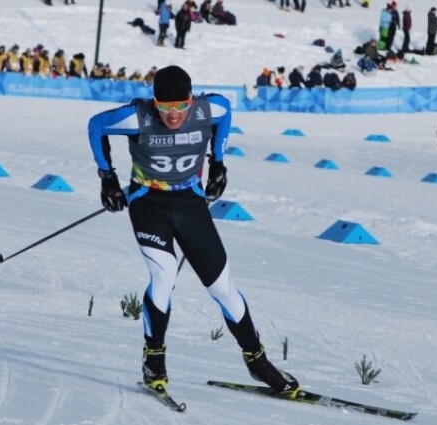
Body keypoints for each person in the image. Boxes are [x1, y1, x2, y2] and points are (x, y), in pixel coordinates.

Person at [86, 65, 300, 395]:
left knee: (223, 287)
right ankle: (153, 357)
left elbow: (226, 113)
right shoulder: (137, 117)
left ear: (191, 99)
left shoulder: (208, 108)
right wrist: (108, 178)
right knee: (165, 274)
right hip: (148, 203)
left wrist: (218, 163)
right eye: (165, 107)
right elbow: (96, 126)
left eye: (181, 106)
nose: (174, 115)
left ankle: (257, 361)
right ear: (154, 102)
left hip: (190, 204)